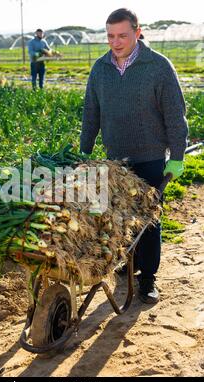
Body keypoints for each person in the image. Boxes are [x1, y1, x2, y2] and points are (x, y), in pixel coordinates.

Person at [80, 8, 188, 304]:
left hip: (151, 157)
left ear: (137, 32)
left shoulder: (158, 66)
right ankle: (131, 264)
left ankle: (148, 279)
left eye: (122, 36)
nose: (115, 42)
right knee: (120, 218)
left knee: (149, 221)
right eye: (110, 36)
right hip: (116, 160)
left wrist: (176, 156)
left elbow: (175, 116)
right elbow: (91, 113)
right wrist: (83, 151)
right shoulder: (101, 68)